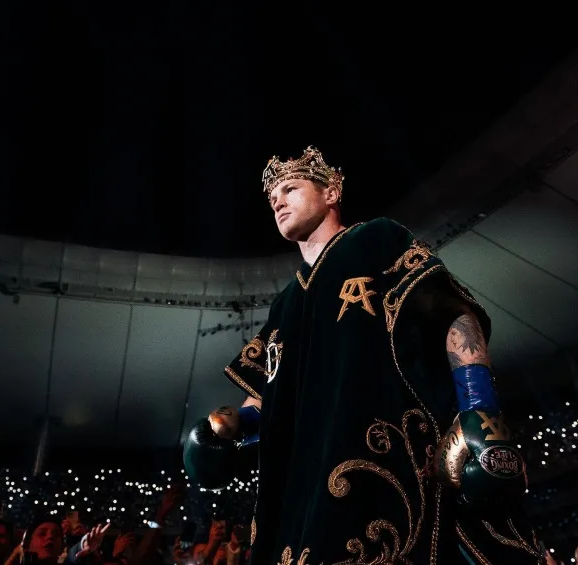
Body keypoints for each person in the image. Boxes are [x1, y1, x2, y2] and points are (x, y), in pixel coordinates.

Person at [184, 146, 542, 564]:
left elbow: (454, 318)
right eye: (272, 198)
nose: (277, 201)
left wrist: (480, 408)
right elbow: (270, 396)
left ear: (332, 191)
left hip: (390, 482)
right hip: (304, 504)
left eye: (290, 188)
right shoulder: (283, 305)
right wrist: (227, 430)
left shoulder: (376, 238)